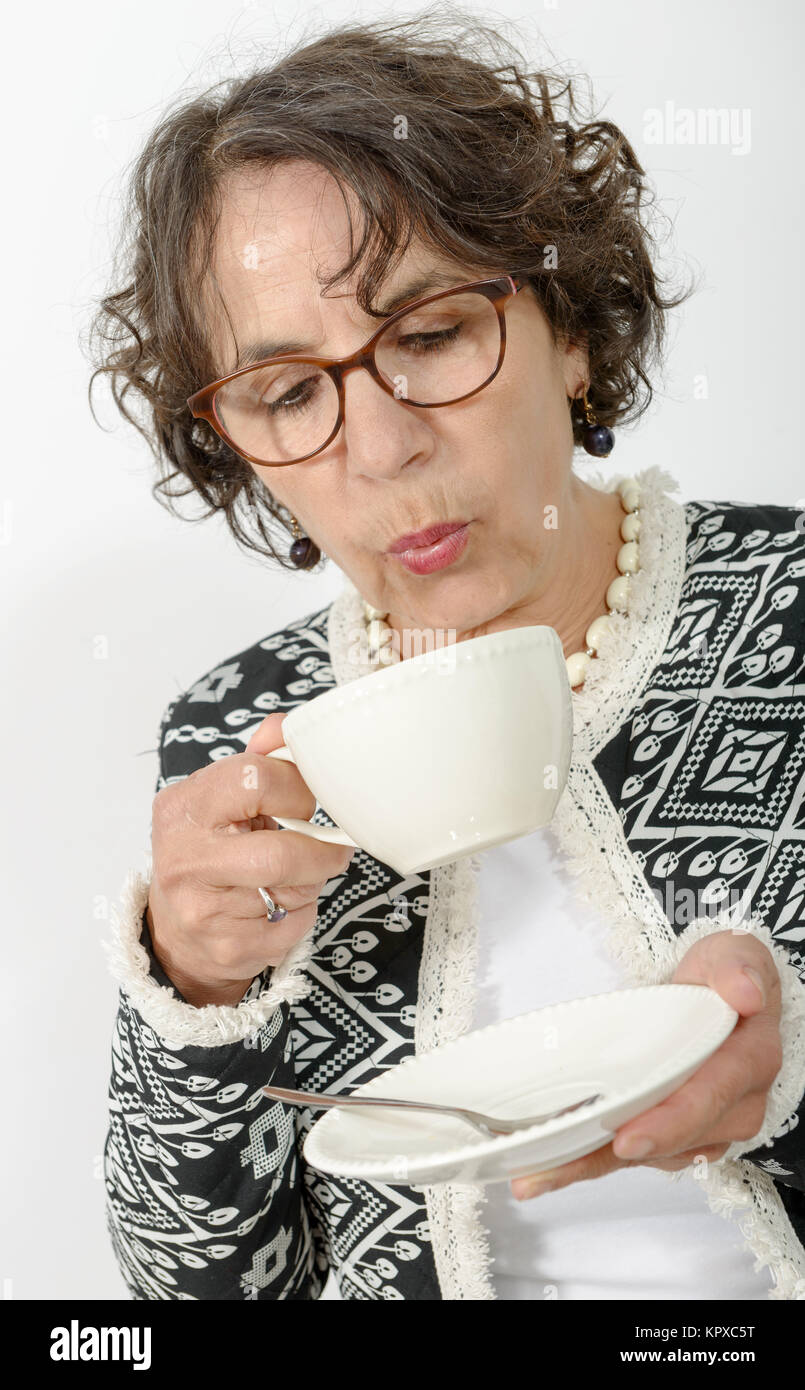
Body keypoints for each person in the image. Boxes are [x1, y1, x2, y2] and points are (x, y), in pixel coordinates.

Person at [89, 14, 805, 1300]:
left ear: (572, 329)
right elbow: (196, 1296)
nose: (378, 450)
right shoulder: (243, 732)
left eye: (426, 336)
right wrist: (193, 988)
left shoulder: (787, 608)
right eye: (290, 393)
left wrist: (791, 1060)